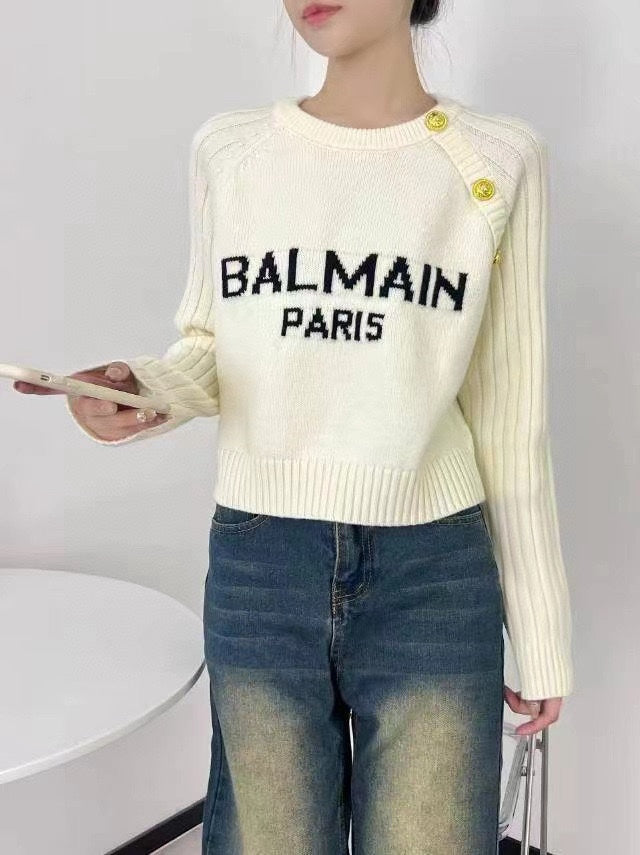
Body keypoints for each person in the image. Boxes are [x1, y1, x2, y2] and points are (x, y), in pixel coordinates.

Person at [15, 0, 575, 851]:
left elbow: (510, 414)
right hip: (261, 562)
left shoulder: (496, 159)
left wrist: (540, 637)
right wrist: (144, 389)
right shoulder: (233, 150)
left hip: (434, 571)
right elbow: (214, 344)